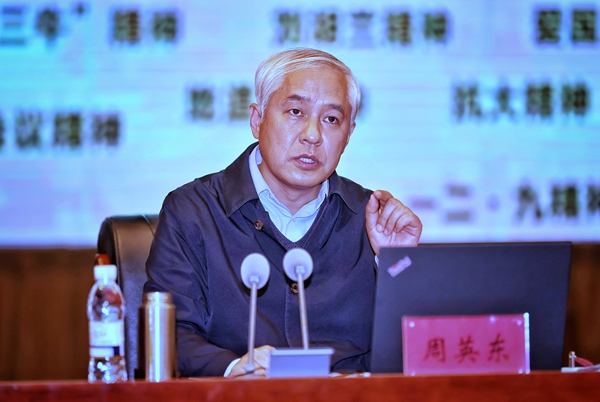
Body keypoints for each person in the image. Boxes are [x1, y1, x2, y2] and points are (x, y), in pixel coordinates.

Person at [144, 47, 422, 377]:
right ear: (256, 120)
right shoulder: (194, 211)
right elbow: (170, 334)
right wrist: (234, 368)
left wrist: (396, 263)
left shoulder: (372, 218)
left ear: (349, 134)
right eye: (295, 112)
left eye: (331, 119)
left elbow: (419, 350)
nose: (312, 135)